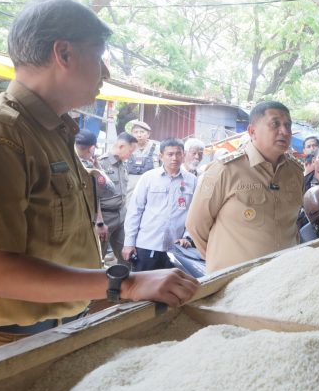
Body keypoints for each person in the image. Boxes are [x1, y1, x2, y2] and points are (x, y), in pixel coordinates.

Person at [0, 0, 199, 368]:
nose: (105, 72)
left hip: (51, 338)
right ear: (64, 54)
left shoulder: (52, 132)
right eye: (100, 55)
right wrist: (126, 283)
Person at [186, 101, 303, 273]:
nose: (284, 131)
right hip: (235, 283)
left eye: (288, 125)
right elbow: (196, 226)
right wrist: (220, 262)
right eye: (275, 124)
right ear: (252, 132)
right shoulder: (225, 170)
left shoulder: (296, 172)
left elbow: (292, 225)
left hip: (283, 277)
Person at [123, 139, 197, 271]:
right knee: (143, 287)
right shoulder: (148, 178)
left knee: (171, 288)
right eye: (170, 154)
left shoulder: (192, 181)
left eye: (178, 154)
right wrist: (129, 243)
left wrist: (187, 237)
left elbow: (195, 213)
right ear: (161, 156)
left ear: (183, 155)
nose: (174, 158)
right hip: (147, 245)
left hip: (177, 248)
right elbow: (135, 211)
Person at [97, 132, 137, 267]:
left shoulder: (122, 164)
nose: (131, 155)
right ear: (121, 146)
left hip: (121, 215)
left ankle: (124, 285)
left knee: (127, 256)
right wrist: (100, 223)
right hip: (105, 216)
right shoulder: (100, 163)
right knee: (98, 257)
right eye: (130, 151)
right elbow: (93, 196)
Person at [126, 120, 159, 192]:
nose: (139, 135)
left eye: (142, 132)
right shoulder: (127, 148)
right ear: (132, 134)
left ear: (148, 134)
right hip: (130, 189)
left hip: (152, 187)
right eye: (136, 132)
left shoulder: (158, 148)